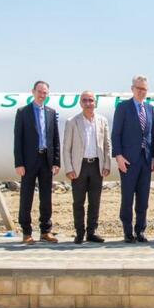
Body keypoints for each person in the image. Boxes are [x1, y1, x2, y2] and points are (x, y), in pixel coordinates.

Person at [13, 80, 61, 245]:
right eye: (39, 92)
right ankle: (26, 232)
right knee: (26, 197)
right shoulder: (23, 112)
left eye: (45, 92)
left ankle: (45, 231)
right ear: (33, 92)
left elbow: (55, 139)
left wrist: (56, 161)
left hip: (46, 160)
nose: (42, 95)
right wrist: (19, 163)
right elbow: (18, 140)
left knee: (46, 197)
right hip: (28, 161)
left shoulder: (51, 112)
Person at [62, 91, 112, 244]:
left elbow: (107, 145)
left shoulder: (102, 121)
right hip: (80, 167)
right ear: (80, 103)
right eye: (85, 100)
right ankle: (79, 232)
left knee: (95, 201)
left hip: (96, 165)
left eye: (91, 100)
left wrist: (107, 164)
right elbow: (66, 148)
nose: (88, 103)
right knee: (78, 202)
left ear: (95, 102)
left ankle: (92, 232)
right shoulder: (72, 122)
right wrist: (69, 168)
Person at [112, 75, 154, 243]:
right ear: (132, 89)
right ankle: (127, 231)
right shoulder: (123, 107)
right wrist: (118, 156)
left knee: (143, 199)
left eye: (144, 89)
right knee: (127, 198)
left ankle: (140, 230)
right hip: (128, 161)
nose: (141, 91)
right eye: (138, 88)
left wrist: (153, 157)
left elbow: (151, 135)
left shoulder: (149, 108)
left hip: (145, 160)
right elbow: (116, 134)